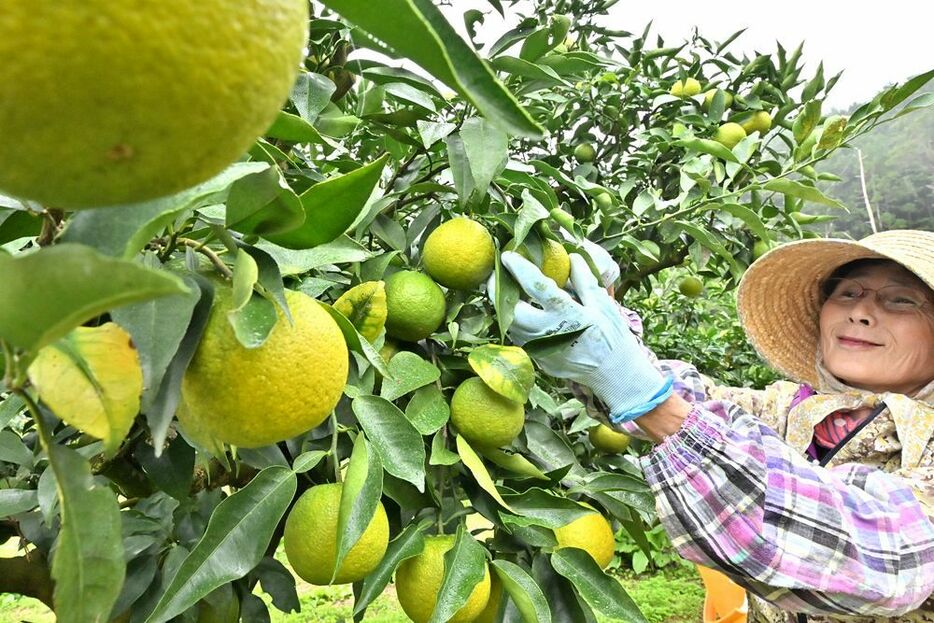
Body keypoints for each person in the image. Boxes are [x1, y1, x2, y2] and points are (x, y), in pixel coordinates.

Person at [496, 230, 934, 623]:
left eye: (900, 299)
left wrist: (650, 404)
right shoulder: (787, 411)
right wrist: (603, 311)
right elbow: (684, 400)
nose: (861, 312)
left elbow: (894, 556)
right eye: (848, 293)